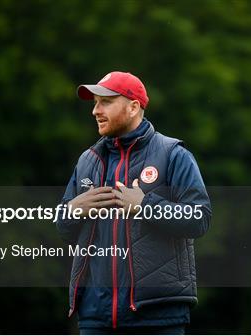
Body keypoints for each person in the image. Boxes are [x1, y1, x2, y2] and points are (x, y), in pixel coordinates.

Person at [56, 71, 212, 334]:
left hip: (158, 315)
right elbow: (63, 228)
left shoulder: (174, 155)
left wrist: (145, 205)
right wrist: (71, 211)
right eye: (94, 103)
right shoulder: (87, 161)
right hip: (95, 317)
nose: (95, 110)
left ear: (133, 107)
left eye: (105, 102)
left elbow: (200, 218)